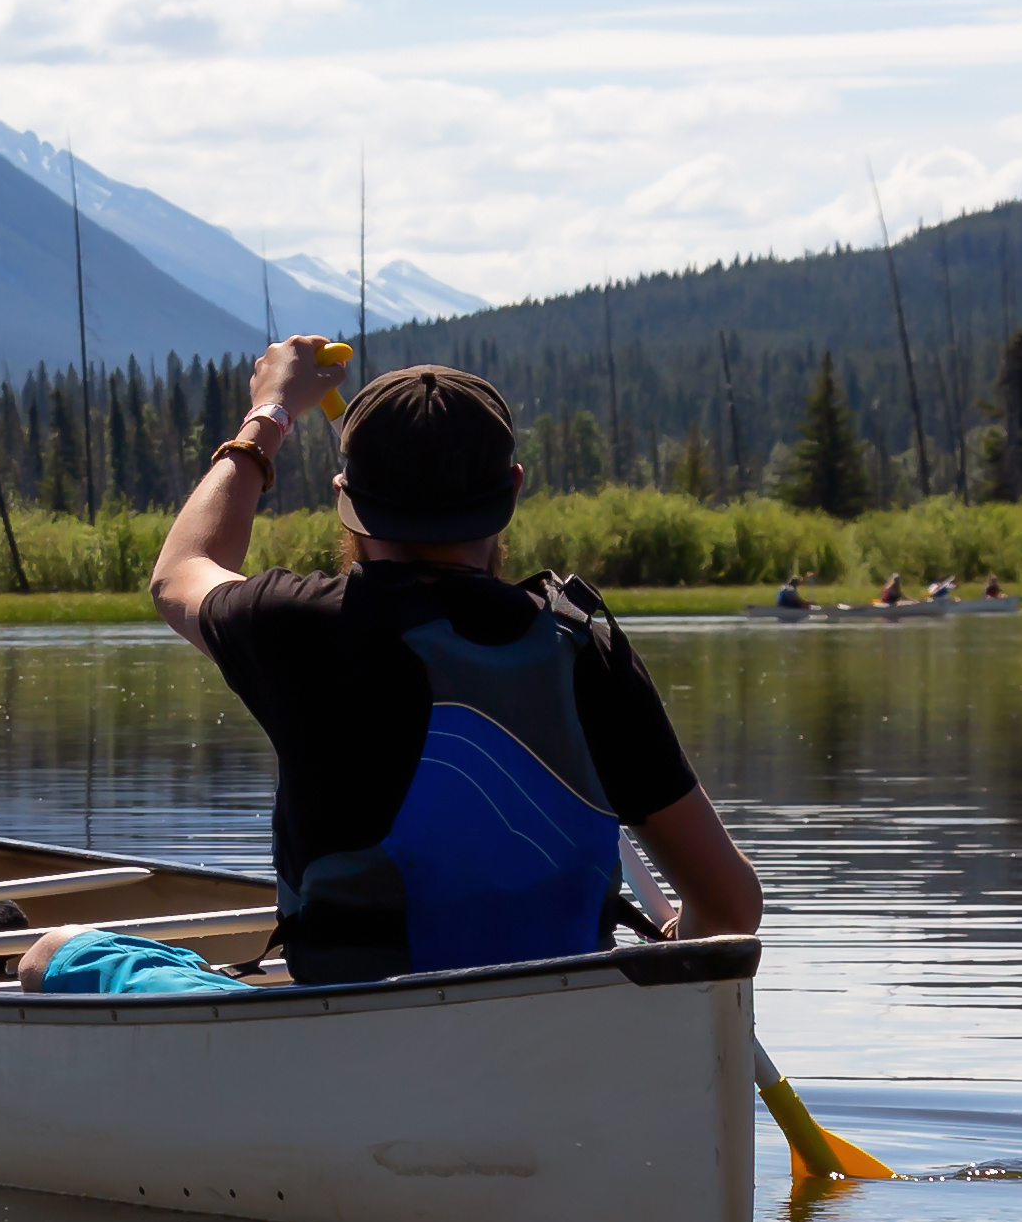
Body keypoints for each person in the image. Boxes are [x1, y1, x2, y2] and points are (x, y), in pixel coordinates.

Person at [145, 349, 760, 982]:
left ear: (343, 497)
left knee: (56, 955)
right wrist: (672, 939)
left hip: (354, 1030)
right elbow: (729, 907)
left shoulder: (295, 625)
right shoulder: (584, 647)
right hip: (560, 1029)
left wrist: (267, 417)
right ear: (513, 488)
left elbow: (180, 573)